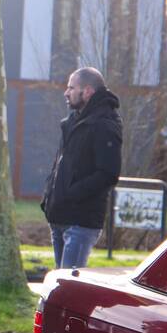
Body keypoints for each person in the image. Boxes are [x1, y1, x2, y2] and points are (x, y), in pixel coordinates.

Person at [41, 67, 122, 269]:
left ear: (87, 91)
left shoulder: (104, 124)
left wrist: (71, 194)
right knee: (60, 286)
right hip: (59, 217)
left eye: (71, 88)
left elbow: (108, 174)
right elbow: (61, 164)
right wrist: (49, 196)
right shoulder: (72, 122)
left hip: (80, 221)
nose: (66, 93)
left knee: (69, 289)